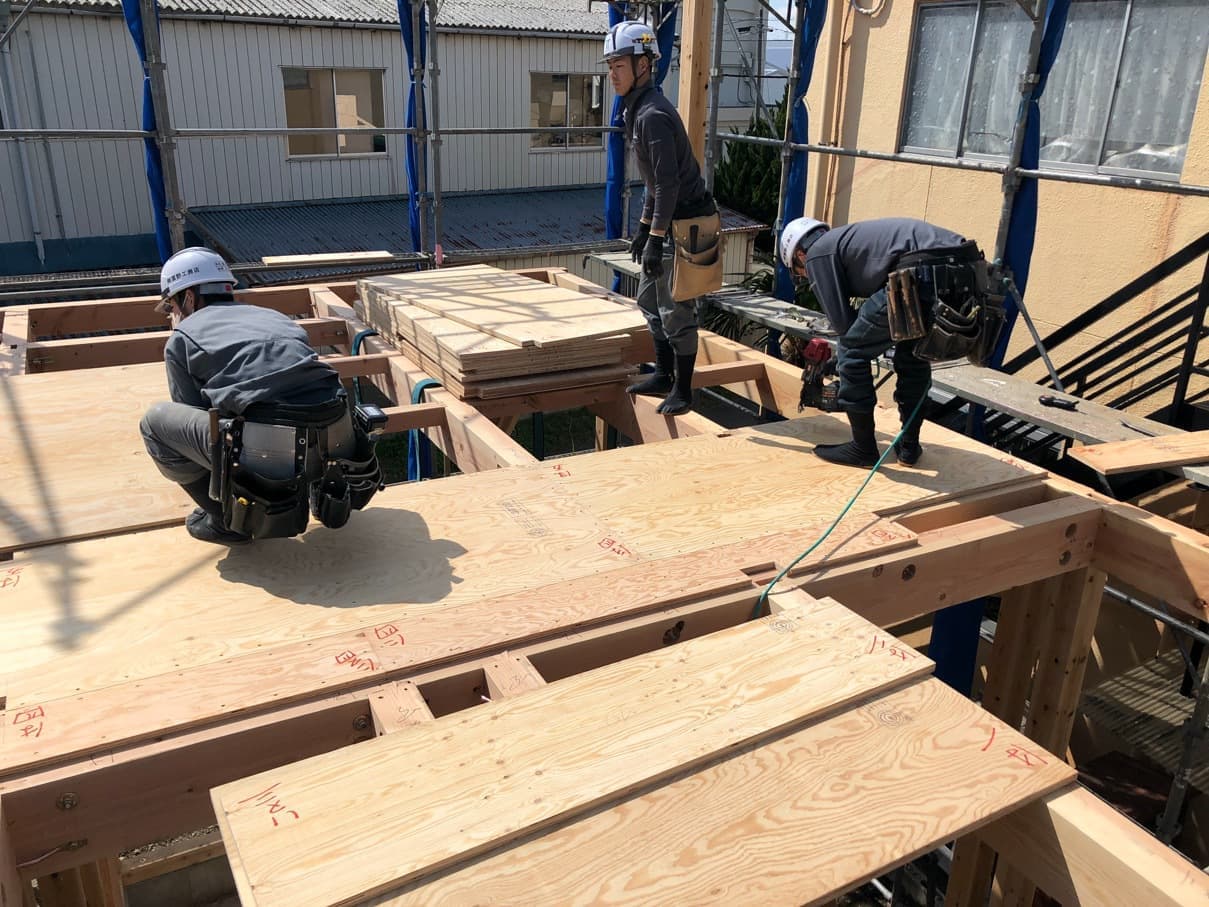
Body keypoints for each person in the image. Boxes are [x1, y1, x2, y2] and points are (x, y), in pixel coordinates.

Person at [140, 247, 381, 544]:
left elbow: (198, 419)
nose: (172, 315)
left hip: (269, 447)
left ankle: (227, 521)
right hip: (338, 429)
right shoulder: (273, 316)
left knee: (154, 423)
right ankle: (316, 493)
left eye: (171, 307)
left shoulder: (182, 337)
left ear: (189, 298)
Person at [781, 216, 1000, 468]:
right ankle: (908, 448)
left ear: (800, 255)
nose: (806, 276)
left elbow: (845, 328)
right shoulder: (846, 241)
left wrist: (842, 366)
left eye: (800, 272)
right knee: (913, 355)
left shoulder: (818, 254)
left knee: (852, 352)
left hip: (921, 271)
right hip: (966, 268)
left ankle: (862, 449)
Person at [604, 19, 718, 416]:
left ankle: (683, 391)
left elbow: (668, 185)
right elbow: (654, 184)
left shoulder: (651, 114)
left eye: (619, 65)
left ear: (643, 65)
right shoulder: (638, 110)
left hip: (687, 225)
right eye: (610, 67)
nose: (613, 74)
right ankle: (664, 375)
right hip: (668, 221)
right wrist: (643, 229)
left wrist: (654, 238)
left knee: (675, 308)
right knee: (649, 300)